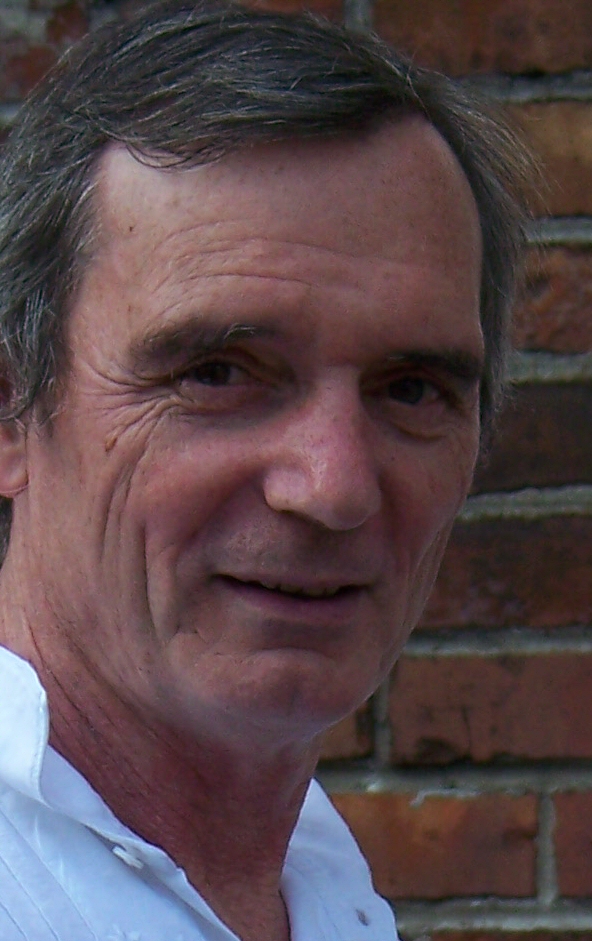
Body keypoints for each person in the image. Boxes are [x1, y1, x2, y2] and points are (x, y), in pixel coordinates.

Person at [0, 2, 530, 939]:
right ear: (13, 413)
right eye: (216, 374)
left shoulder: (317, 881)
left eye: (411, 389)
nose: (333, 486)